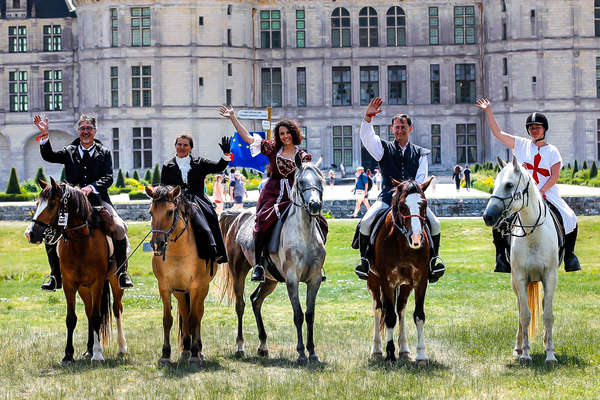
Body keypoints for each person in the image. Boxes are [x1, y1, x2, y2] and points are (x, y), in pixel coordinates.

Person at [219, 105, 328, 282]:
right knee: (262, 222)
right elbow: (247, 138)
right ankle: (260, 265)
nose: (285, 136)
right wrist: (233, 118)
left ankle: (317, 264)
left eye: (287, 133)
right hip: (273, 194)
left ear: (294, 133)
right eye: (281, 133)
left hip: (294, 196)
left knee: (321, 223)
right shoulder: (271, 149)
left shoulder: (304, 156)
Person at [476, 98, 581, 273]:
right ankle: (501, 256)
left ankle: (569, 255)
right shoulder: (521, 144)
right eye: (531, 127)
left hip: (547, 193)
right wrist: (488, 111)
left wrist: (541, 191)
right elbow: (498, 133)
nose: (534, 130)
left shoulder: (552, 151)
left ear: (544, 129)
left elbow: (554, 176)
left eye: (537, 127)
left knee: (570, 217)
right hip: (521, 195)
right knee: (501, 219)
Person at [33, 114, 134, 290]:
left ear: (95, 131)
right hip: (70, 203)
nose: (85, 132)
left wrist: (92, 187)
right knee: (52, 231)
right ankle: (55, 276)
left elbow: (109, 178)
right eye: (82, 128)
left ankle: (122, 272)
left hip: (98, 199)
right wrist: (44, 134)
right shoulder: (69, 151)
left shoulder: (105, 152)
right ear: (78, 131)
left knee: (118, 228)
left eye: (89, 128)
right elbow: (48, 155)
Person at [354, 97, 445, 282]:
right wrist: (368, 117)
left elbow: (420, 181)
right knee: (365, 222)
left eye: (403, 127)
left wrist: (409, 196)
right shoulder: (383, 149)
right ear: (392, 129)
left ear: (410, 129)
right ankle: (365, 263)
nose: (400, 130)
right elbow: (367, 137)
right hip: (387, 198)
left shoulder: (421, 153)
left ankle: (432, 263)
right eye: (396, 127)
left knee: (435, 224)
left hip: (412, 202)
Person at [160, 134, 230, 263]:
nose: (182, 147)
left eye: (185, 145)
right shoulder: (167, 165)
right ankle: (158, 247)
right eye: (179, 144)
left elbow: (219, 167)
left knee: (211, 216)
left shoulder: (200, 162)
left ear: (191, 148)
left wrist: (226, 154)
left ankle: (218, 252)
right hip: (176, 200)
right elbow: (163, 187)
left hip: (197, 199)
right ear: (175, 146)